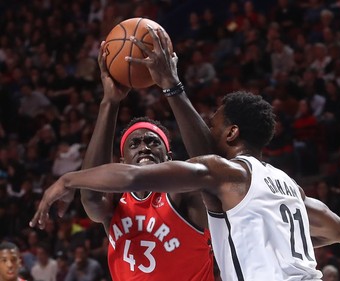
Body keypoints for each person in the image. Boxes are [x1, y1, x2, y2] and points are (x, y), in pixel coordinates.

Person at [30, 27, 340, 280]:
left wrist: (67, 180)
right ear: (121, 155)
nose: (207, 131)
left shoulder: (215, 181)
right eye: (135, 144)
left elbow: (135, 175)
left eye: (213, 125)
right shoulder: (288, 186)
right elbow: (338, 230)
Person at [48, 41, 215, 281]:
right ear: (122, 161)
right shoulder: (116, 204)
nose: (144, 147)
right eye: (134, 144)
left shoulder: (183, 196)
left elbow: (212, 169)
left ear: (169, 157)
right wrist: (109, 103)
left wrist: (171, 86)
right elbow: (92, 195)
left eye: (153, 141)